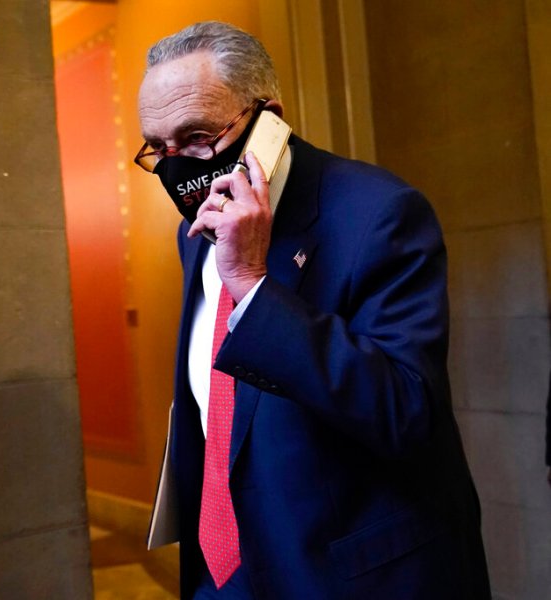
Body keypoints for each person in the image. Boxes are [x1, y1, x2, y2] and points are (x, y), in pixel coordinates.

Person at [137, 22, 490, 598]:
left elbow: (407, 412)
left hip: (349, 574)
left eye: (197, 137)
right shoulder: (193, 229)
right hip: (225, 571)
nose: (178, 167)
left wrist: (252, 286)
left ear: (269, 117)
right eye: (159, 147)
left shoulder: (380, 213)